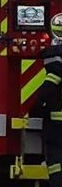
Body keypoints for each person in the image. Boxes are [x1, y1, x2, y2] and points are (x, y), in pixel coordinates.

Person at [31, 44, 62, 185]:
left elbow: (45, 93)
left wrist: (35, 111)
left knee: (55, 161)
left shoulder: (54, 74)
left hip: (56, 127)